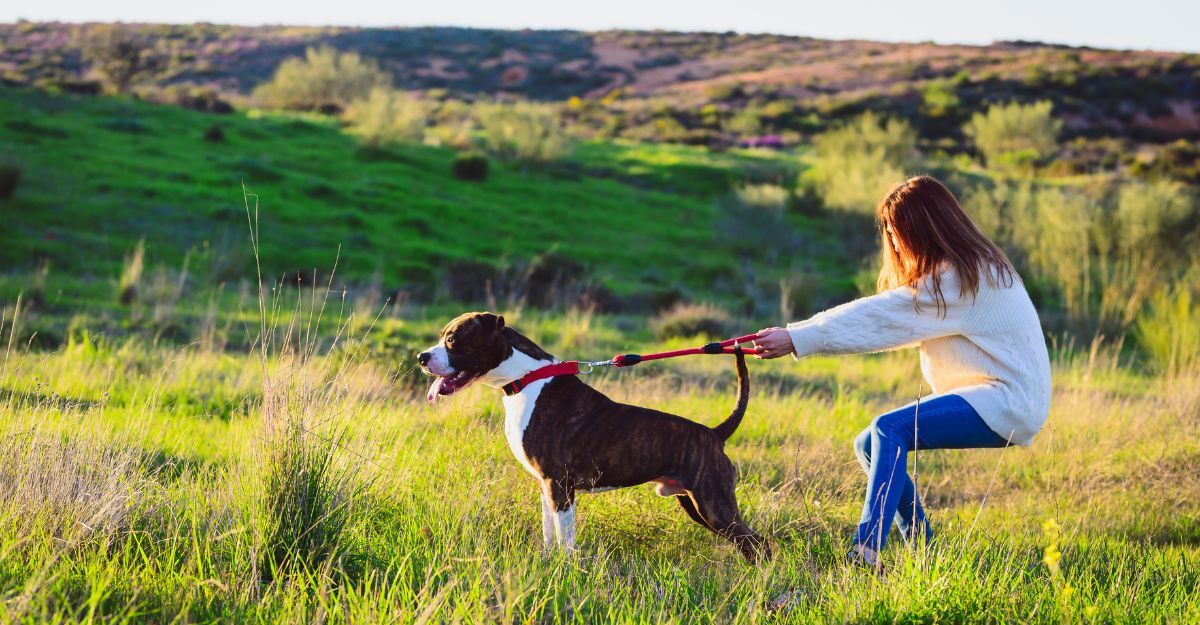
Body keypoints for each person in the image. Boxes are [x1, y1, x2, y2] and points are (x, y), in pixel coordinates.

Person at [753, 175, 1051, 568]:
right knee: (868, 444)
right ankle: (924, 548)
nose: (893, 243)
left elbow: (879, 315)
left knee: (887, 428)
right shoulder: (967, 269)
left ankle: (866, 549)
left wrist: (796, 337)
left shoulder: (961, 279)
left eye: (897, 232)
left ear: (923, 229)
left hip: (1009, 400)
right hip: (998, 394)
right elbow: (889, 318)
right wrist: (797, 336)